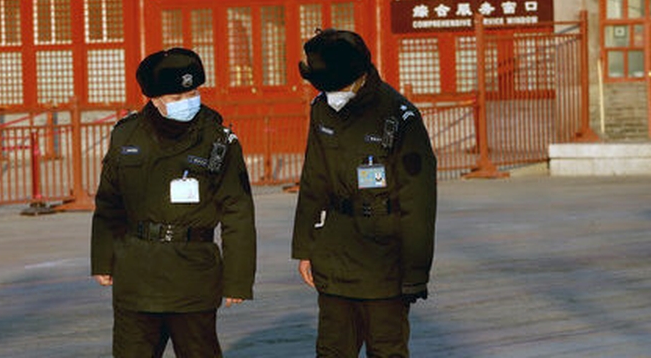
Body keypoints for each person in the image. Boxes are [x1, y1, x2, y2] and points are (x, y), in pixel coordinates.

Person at [91, 47, 257, 358]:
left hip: (192, 272)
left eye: (192, 93)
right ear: (154, 99)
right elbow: (108, 204)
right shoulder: (126, 137)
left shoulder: (219, 140)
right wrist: (103, 259)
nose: (188, 102)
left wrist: (237, 279)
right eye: (176, 97)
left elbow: (238, 212)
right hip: (137, 270)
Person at [291, 29, 437, 357]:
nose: (327, 92)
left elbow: (419, 202)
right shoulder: (322, 108)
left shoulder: (400, 118)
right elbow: (313, 181)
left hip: (384, 258)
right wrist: (305, 247)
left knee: (386, 350)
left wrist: (415, 273)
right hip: (335, 250)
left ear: (356, 76)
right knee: (332, 350)